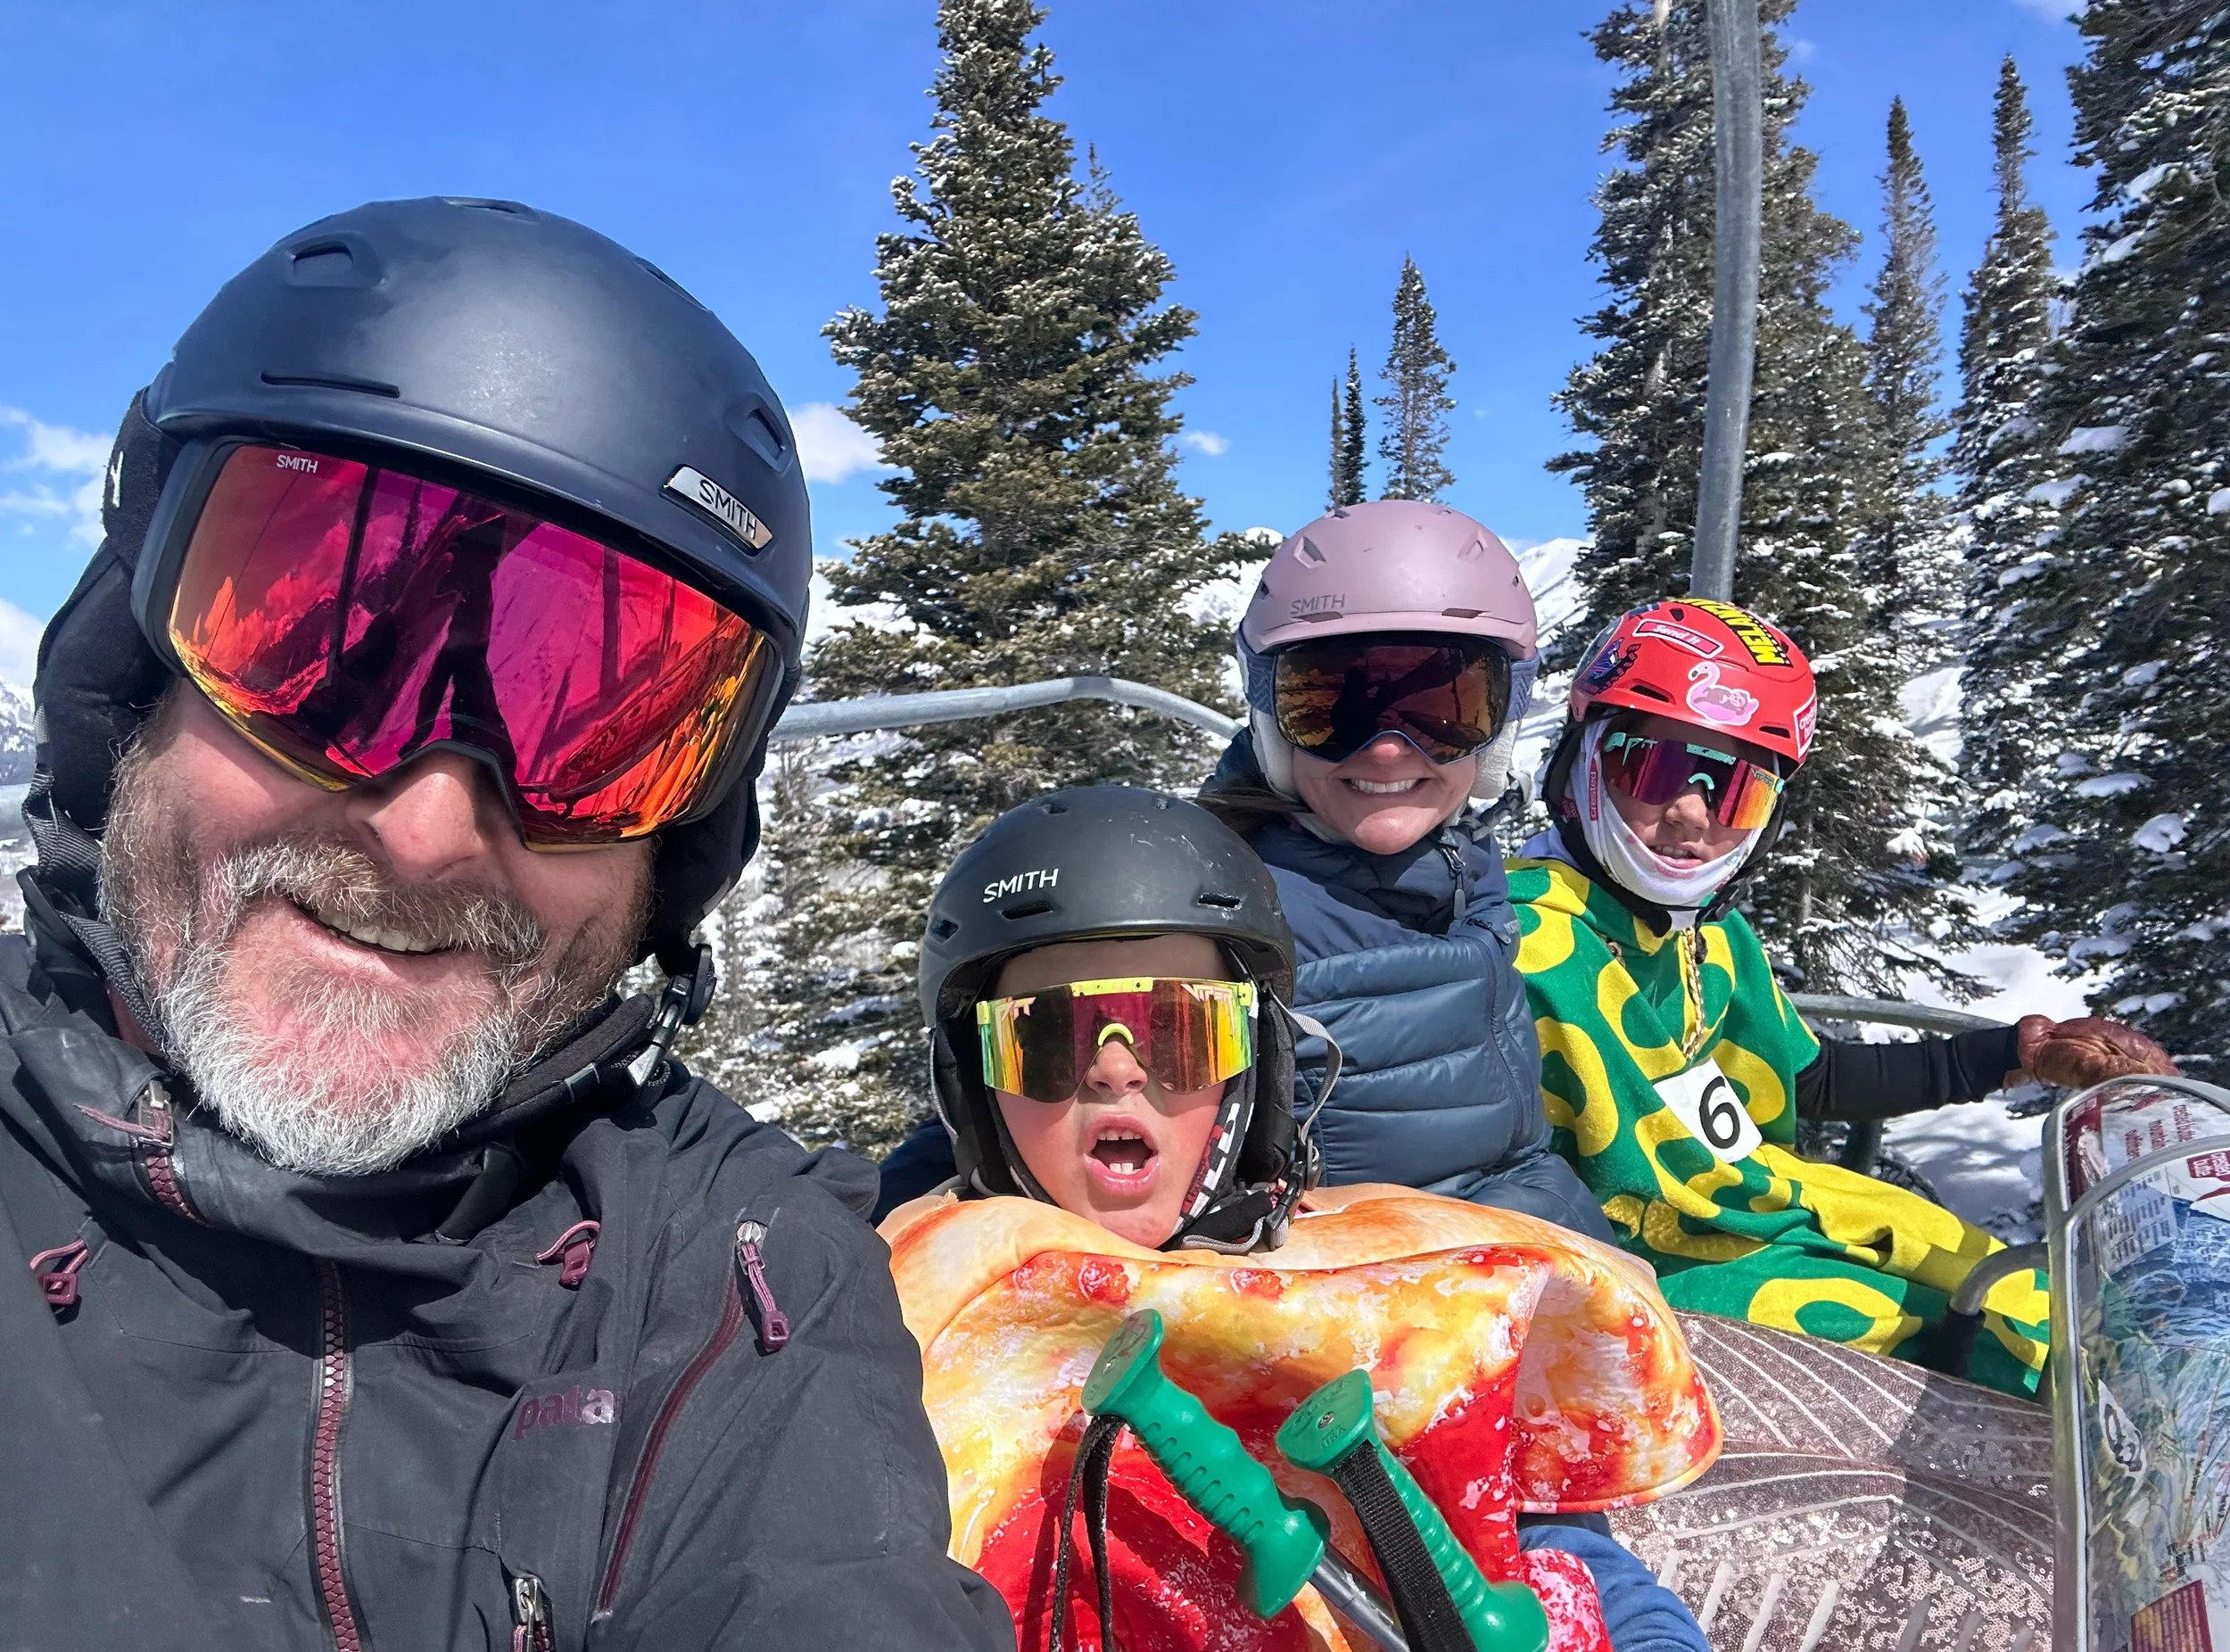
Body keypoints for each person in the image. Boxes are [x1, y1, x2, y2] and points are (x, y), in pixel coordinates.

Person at [0, 199, 1012, 1649]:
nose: (425, 831)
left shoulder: (735, 1274)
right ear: (132, 674)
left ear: (679, 852)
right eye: (318, 656)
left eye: (593, 736)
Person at [886, 785, 1714, 1652]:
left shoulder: (1372, 1286)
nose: (1116, 1075)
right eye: (1050, 1039)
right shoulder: (908, 1311)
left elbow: (1539, 1531)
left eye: (1177, 1034)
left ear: (1255, 1063)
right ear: (972, 1081)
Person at [1511, 596, 2177, 1398]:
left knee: (2040, 1301)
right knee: (1997, 1359)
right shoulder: (1515, 940)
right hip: (1618, 1278)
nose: (1689, 812)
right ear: (1583, 758)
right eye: (1650, 768)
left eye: (1731, 791)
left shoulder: (1706, 935)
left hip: (1749, 1220)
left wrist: (2018, 1052)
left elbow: (1804, 1079)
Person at [1196, 500, 1617, 1241]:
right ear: (1268, 716)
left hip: (1539, 1269)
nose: (1389, 750)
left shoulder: (1468, 871)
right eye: (1329, 705)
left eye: (1443, 708)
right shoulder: (1213, 912)